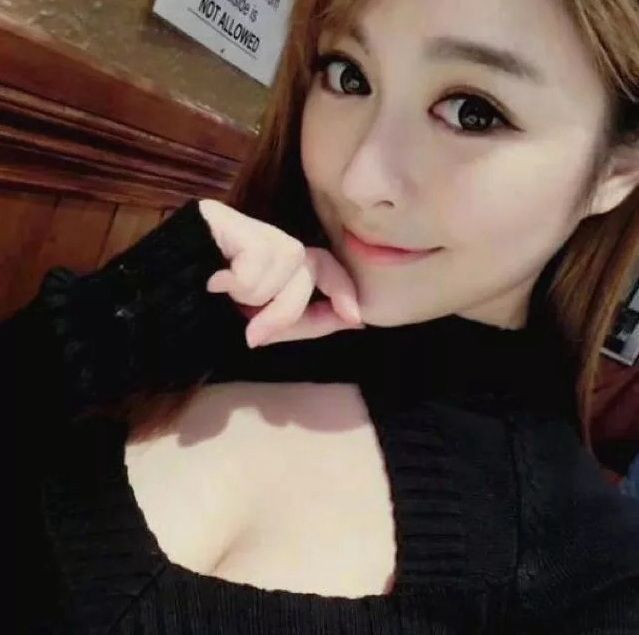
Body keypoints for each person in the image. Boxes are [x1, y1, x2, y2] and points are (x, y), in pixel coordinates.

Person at [7, 0, 639, 632]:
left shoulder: (588, 577)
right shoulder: (192, 304)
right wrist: (127, 312)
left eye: (473, 113)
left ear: (615, 171)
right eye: (348, 74)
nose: (359, 180)